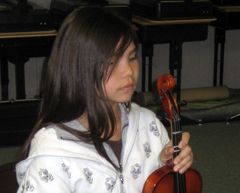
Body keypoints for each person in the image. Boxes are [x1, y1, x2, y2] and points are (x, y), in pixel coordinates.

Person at [16, 6, 193, 193]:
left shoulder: (148, 124)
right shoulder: (53, 153)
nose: (129, 72)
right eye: (111, 62)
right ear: (79, 67)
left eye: (132, 57)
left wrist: (168, 166)